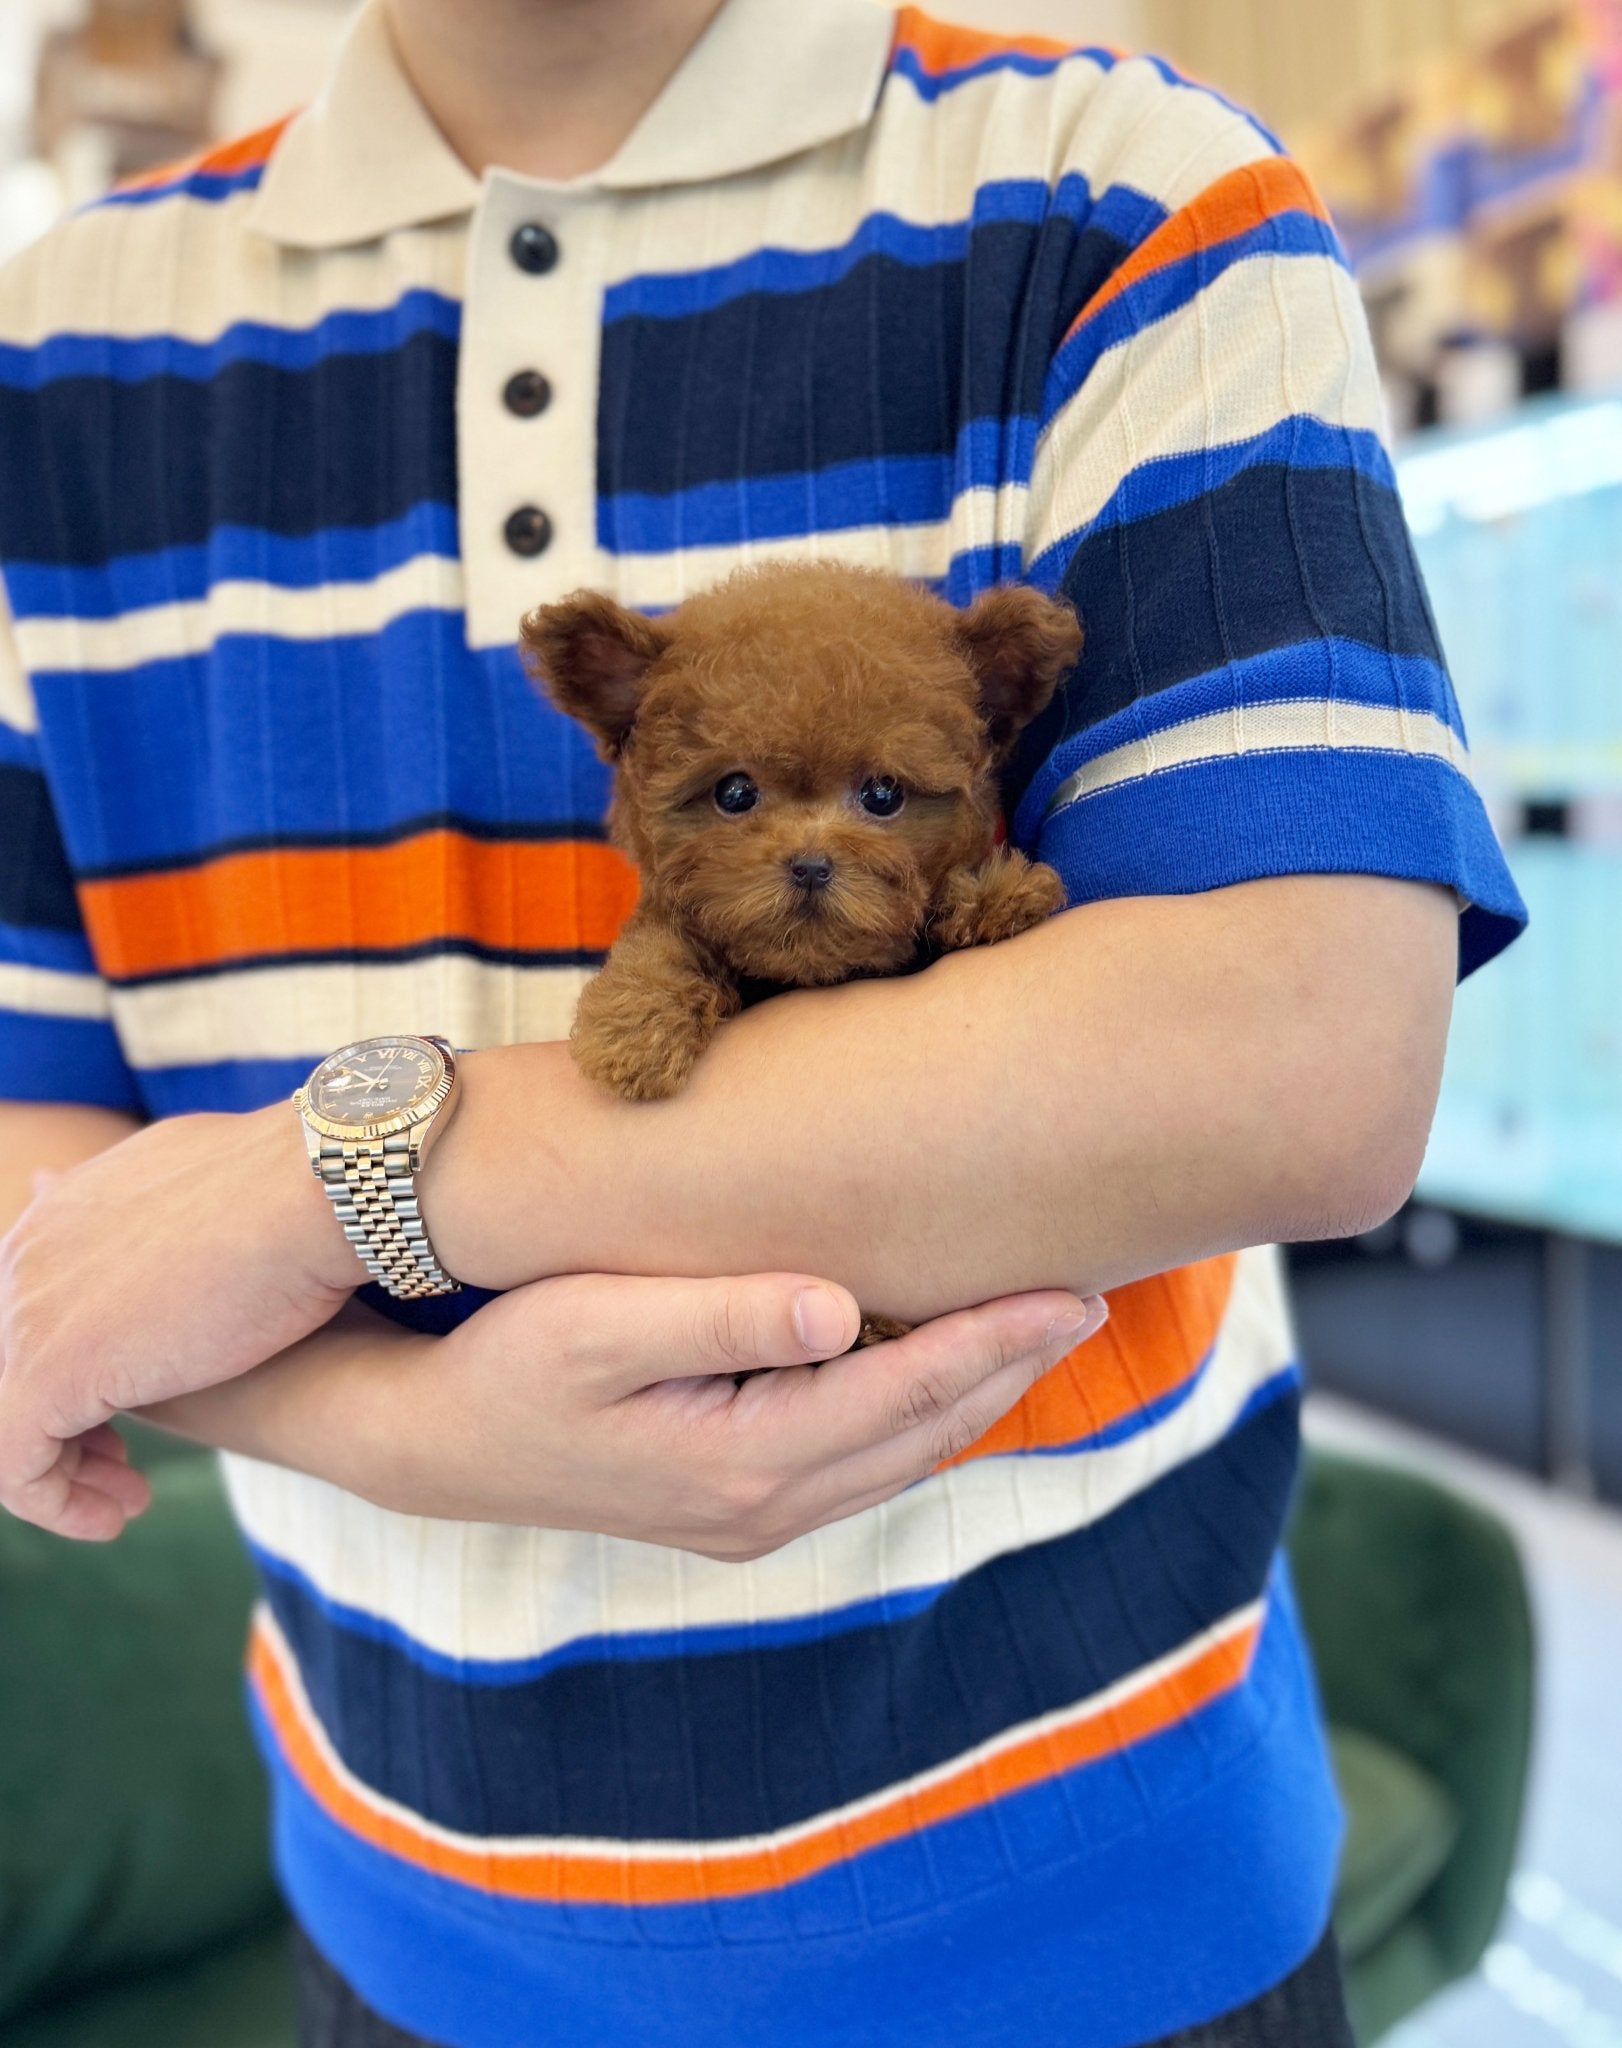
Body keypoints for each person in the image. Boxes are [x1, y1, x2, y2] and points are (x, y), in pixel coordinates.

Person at [0, 2, 1526, 2044]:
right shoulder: (50, 360)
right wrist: (415, 1433)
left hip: (1113, 1913)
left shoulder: (1126, 198)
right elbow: (55, 1196)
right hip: (395, 1908)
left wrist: (351, 1172)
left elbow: (1308, 1056)